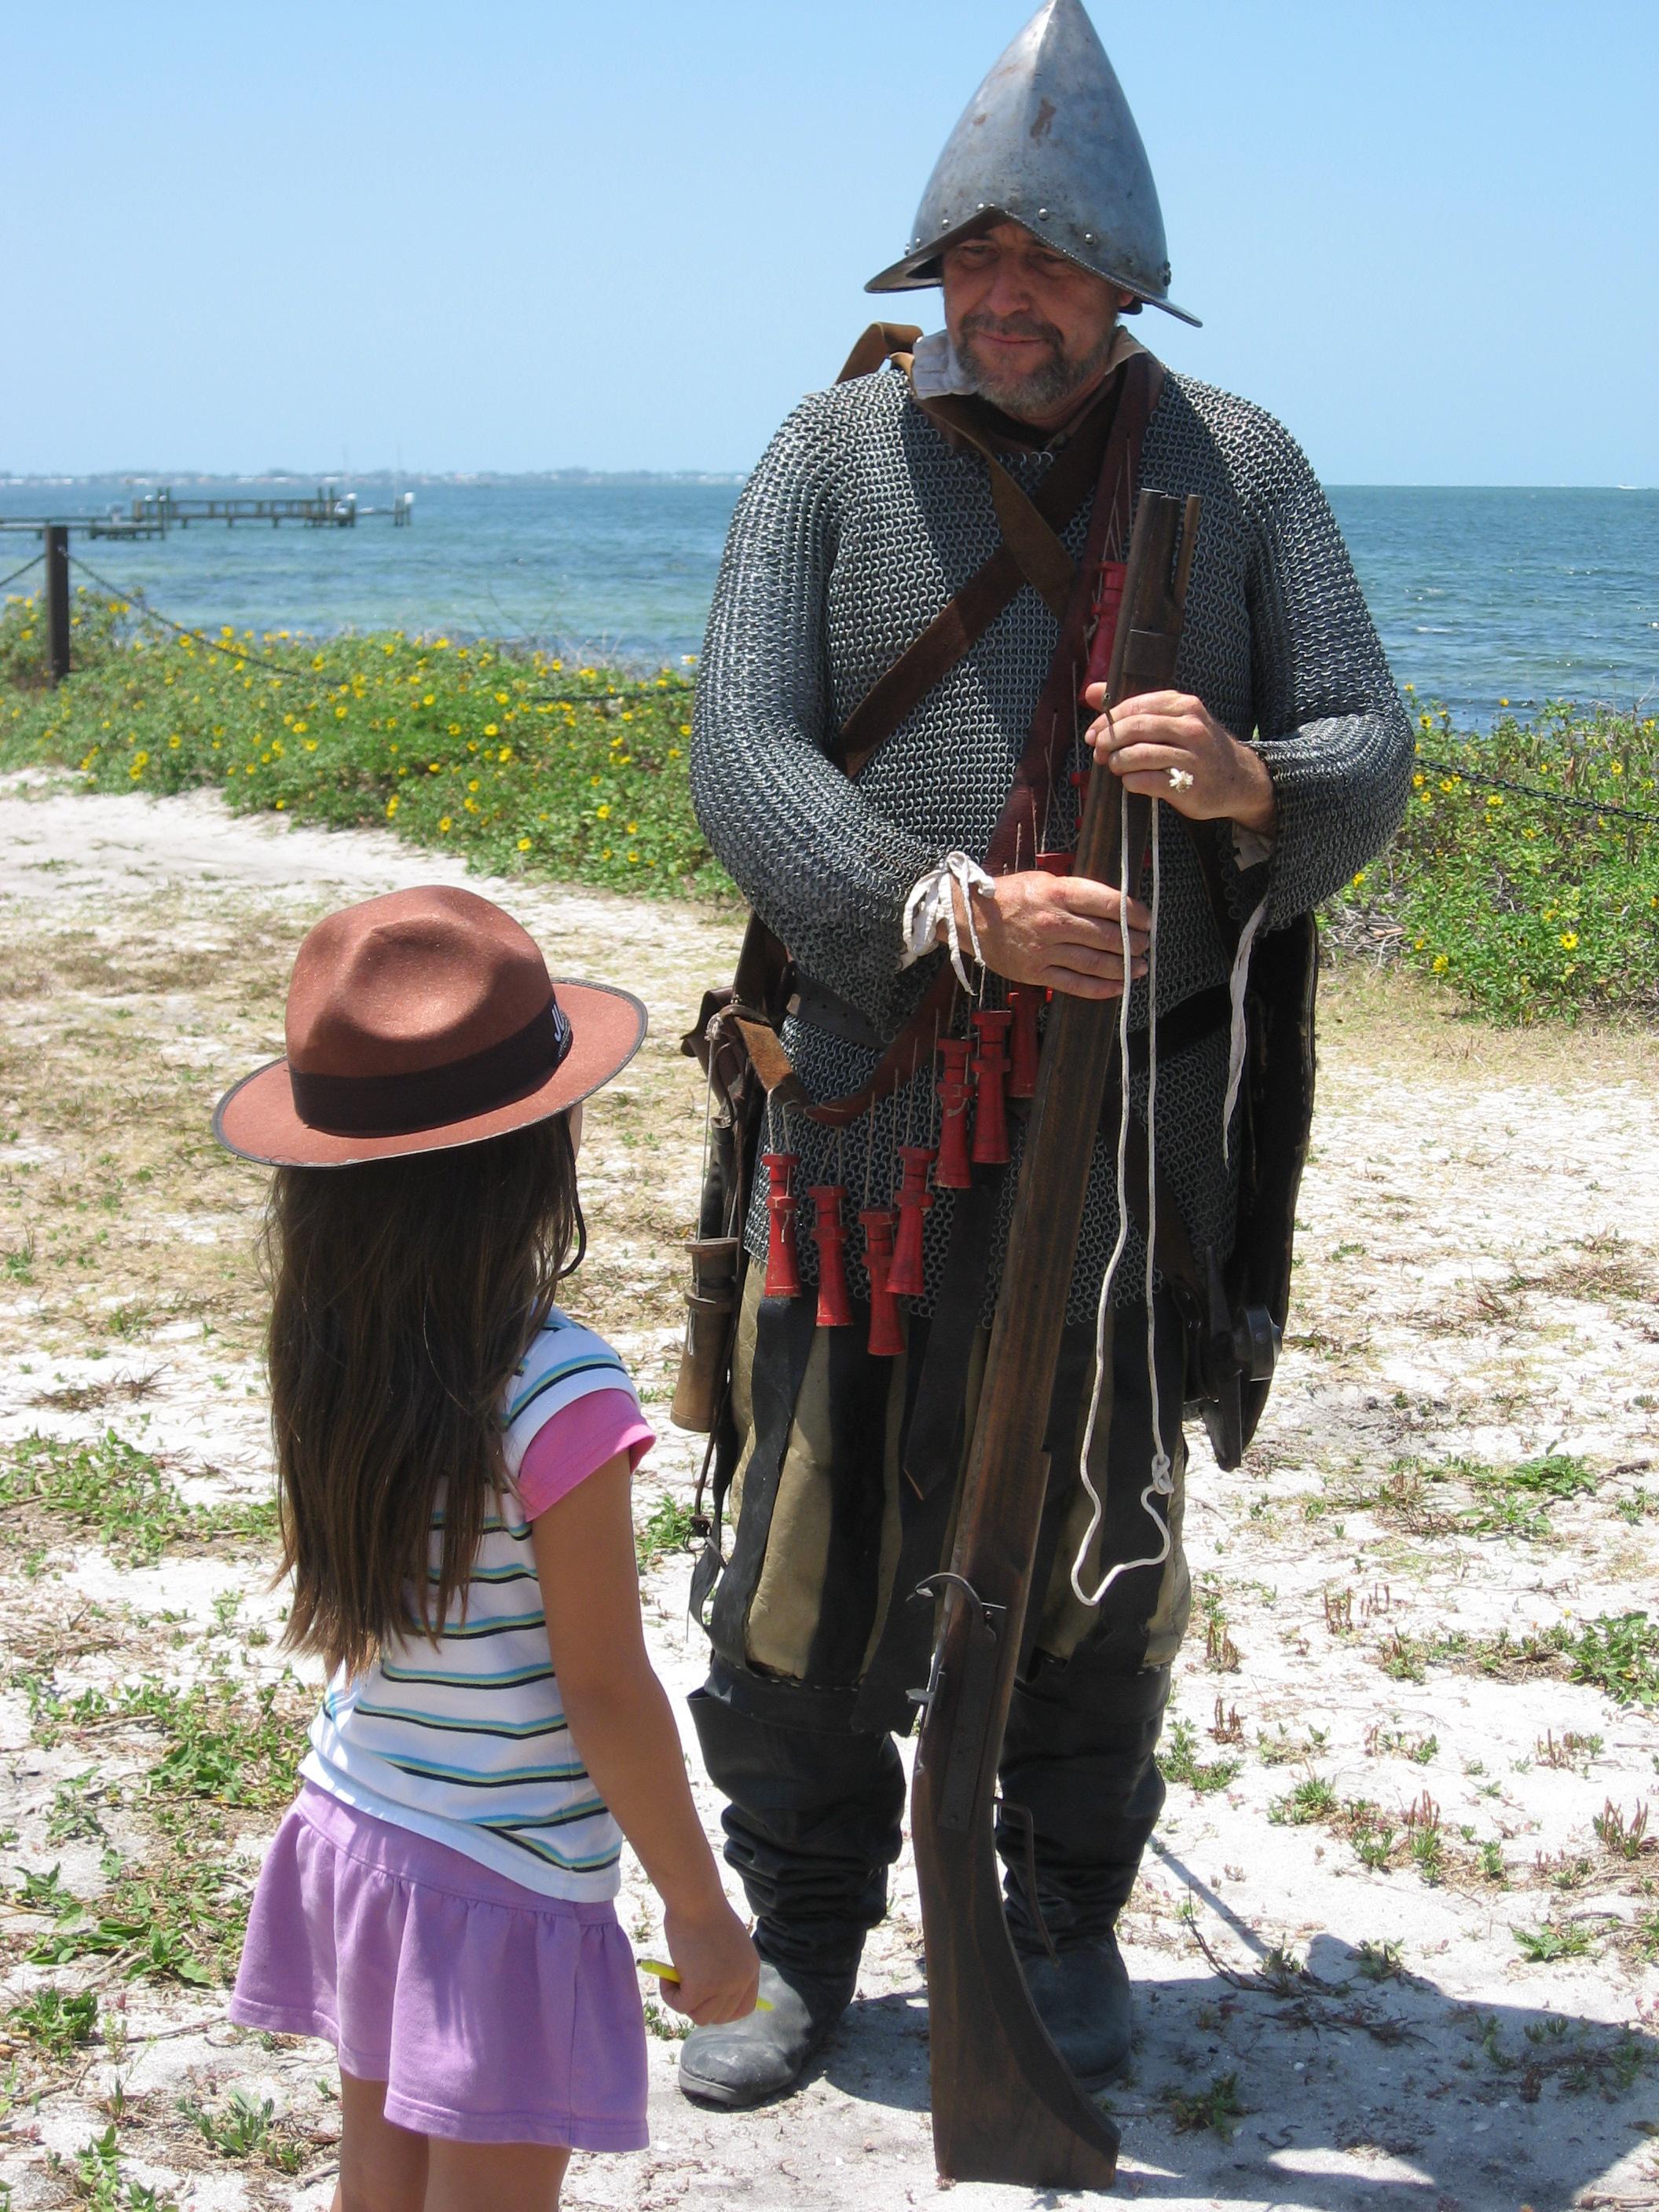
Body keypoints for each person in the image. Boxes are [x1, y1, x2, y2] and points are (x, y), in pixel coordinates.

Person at [679, 0, 1411, 2111]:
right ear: (933, 280)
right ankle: (802, 1936)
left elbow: (1372, 751)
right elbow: (742, 757)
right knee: (804, 1542)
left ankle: (1061, 1916)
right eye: (975, 266)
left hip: (1130, 1132)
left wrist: (1250, 775)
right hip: (868, 1103)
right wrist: (952, 906)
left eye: (1049, 264)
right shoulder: (830, 456)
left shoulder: (1237, 465)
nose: (1007, 300)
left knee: (1098, 1541)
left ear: (1120, 281)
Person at [216, 884, 758, 2212]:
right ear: (539, 1146)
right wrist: (697, 1904)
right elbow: (604, 1686)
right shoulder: (558, 1386)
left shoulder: (326, 1344)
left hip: (357, 1825)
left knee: (379, 2184)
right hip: (501, 1877)